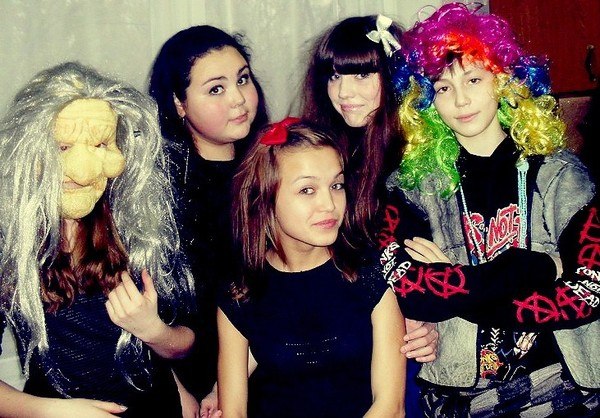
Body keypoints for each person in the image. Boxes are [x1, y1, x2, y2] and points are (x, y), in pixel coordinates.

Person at [384, 3, 600, 416]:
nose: (461, 99)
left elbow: (590, 291)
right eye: (442, 88)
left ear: (503, 81)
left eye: (474, 79)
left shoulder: (561, 175)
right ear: (426, 101)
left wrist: (452, 282)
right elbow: (410, 292)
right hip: (458, 397)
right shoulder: (412, 187)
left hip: (565, 389)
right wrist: (535, 268)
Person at [0, 62, 195, 417]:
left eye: (98, 145)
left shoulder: (136, 225)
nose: (82, 167)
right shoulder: (9, 247)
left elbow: (184, 343)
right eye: (62, 147)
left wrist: (153, 330)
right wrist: (56, 412)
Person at [218, 118, 406, 417]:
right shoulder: (241, 292)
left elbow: (390, 406)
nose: (329, 204)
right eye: (307, 190)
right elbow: (233, 412)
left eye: (336, 185)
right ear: (264, 199)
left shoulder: (371, 272)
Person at [301, 15, 437, 417]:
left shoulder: (425, 155)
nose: (344, 92)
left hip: (406, 346)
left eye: (362, 74)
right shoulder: (322, 151)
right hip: (342, 331)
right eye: (334, 76)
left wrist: (436, 319)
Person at [148, 25, 268, 417]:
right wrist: (190, 390)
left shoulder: (277, 166)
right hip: (188, 382)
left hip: (273, 363)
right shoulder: (156, 194)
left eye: (242, 79)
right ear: (179, 103)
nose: (238, 98)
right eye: (216, 89)